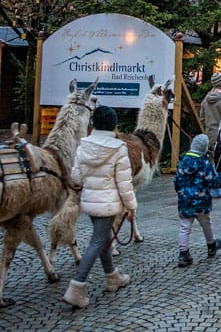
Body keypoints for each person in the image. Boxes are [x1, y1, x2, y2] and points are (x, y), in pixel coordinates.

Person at [62, 105, 136, 309]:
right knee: (97, 241)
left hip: (89, 200)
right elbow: (124, 182)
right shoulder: (118, 148)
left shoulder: (84, 144)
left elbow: (76, 176)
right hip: (108, 204)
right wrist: (131, 206)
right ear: (114, 125)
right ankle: (76, 286)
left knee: (104, 238)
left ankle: (113, 277)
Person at [173, 134, 221, 267]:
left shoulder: (183, 162)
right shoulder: (205, 163)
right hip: (202, 201)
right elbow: (214, 182)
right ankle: (211, 245)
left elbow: (177, 182)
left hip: (185, 201)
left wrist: (181, 192)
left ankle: (183, 254)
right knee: (206, 224)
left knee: (185, 227)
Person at [199, 71, 221, 198]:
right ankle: (215, 189)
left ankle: (212, 188)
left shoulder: (205, 100)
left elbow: (202, 117)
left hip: (209, 133)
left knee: (213, 160)